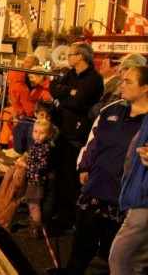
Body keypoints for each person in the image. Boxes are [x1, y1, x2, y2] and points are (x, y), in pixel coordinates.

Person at [66, 66, 148, 273]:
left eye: (128, 81)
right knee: (81, 246)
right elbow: (93, 140)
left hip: (125, 198)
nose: (121, 84)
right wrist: (84, 167)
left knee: (116, 254)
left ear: (145, 88)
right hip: (96, 188)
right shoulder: (112, 109)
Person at [48, 41, 103, 231]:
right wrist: (68, 92)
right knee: (58, 176)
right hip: (62, 131)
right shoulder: (69, 74)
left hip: (76, 134)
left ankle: (68, 218)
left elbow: (79, 101)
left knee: (70, 179)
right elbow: (54, 87)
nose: (68, 57)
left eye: (71, 54)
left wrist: (66, 96)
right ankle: (56, 212)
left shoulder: (94, 79)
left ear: (81, 56)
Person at [109, 114, 148, 275]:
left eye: (128, 85)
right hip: (137, 196)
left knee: (123, 258)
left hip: (144, 201)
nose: (122, 86)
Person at [16, 118, 55, 239]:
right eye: (35, 132)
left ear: (48, 135)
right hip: (31, 179)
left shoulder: (45, 148)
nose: (37, 135)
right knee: (30, 203)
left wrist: (25, 165)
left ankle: (35, 229)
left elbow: (40, 166)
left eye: (41, 133)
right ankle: (32, 225)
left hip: (36, 181)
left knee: (34, 205)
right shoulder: (36, 145)